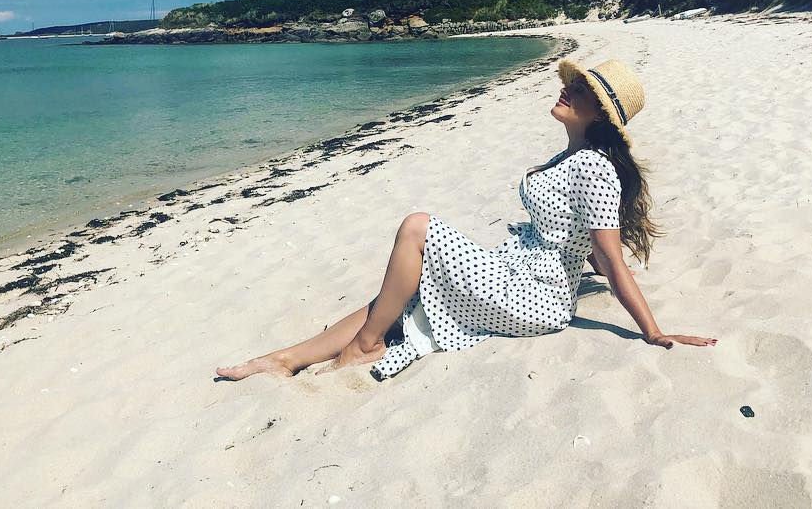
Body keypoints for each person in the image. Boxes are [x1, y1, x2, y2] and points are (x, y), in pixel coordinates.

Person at [215, 57, 717, 383]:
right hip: (518, 274)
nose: (568, 90)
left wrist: (652, 331)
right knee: (396, 295)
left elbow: (610, 257)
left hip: (536, 297)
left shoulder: (593, 167)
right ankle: (286, 359)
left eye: (582, 90)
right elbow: (585, 244)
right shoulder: (571, 157)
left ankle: (365, 347)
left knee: (417, 228)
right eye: (573, 82)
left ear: (601, 114)